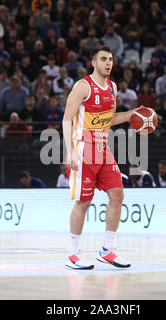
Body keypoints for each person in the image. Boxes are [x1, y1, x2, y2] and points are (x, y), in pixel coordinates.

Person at [62, 46, 139, 270]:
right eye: (103, 59)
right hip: (82, 147)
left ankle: (107, 250)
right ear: (93, 63)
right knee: (83, 202)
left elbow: (108, 120)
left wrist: (131, 115)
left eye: (111, 59)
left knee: (117, 194)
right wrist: (70, 150)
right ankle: (73, 253)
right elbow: (67, 119)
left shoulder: (113, 87)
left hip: (102, 148)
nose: (108, 63)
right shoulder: (83, 86)